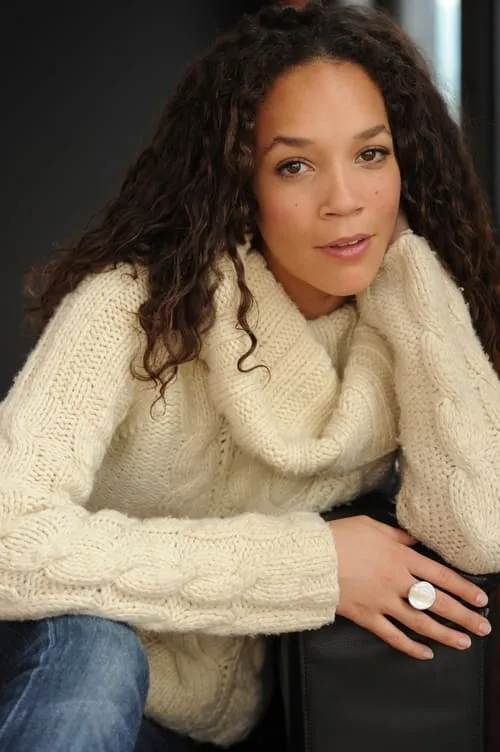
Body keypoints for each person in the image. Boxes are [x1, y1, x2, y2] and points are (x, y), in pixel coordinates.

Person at [0, 2, 499, 751]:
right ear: (240, 180)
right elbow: (8, 539)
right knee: (100, 651)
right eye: (295, 165)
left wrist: (412, 277)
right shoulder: (131, 306)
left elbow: (483, 531)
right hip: (63, 683)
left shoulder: (399, 335)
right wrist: (313, 565)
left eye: (372, 155)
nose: (344, 200)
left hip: (230, 724)